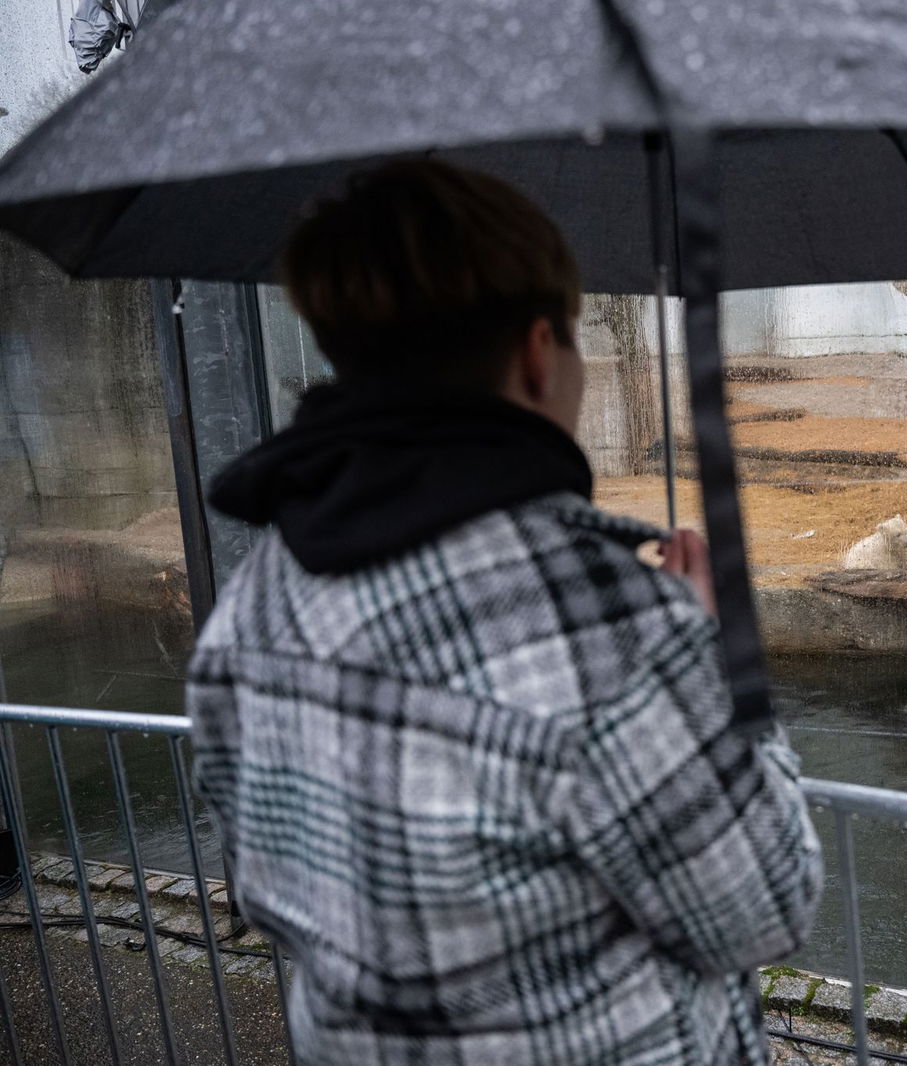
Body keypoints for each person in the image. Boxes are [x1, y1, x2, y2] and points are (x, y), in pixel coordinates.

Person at [187, 159, 823, 1066]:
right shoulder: (606, 625)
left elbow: (266, 888)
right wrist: (718, 665)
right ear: (537, 355)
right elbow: (763, 908)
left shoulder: (254, 604)